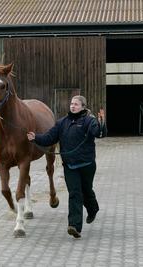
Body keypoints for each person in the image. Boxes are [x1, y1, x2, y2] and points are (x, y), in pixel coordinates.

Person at [27, 95, 107, 238]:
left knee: (86, 191)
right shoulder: (62, 123)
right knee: (75, 193)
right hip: (70, 166)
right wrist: (35, 138)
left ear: (83, 107)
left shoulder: (89, 120)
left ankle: (93, 209)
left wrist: (101, 123)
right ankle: (74, 226)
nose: (73, 106)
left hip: (87, 164)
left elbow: (98, 133)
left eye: (76, 104)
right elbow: (49, 138)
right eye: (71, 103)